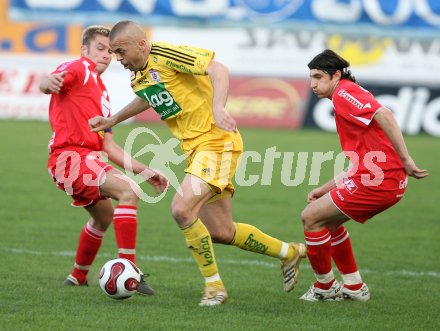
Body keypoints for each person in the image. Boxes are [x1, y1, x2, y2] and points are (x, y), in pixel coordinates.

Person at [88, 20, 306, 306]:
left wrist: (218, 106)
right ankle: (288, 252)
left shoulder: (166, 54)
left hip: (216, 142)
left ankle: (215, 288)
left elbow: (218, 69)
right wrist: (114, 119)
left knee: (181, 209)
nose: (118, 59)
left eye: (120, 51)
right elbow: (148, 97)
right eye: (114, 53)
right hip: (195, 150)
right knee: (221, 231)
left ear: (141, 44)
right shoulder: (139, 76)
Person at [40, 25, 168, 295]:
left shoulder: (103, 94)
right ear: (84, 49)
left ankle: (77, 276)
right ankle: (131, 270)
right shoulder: (80, 67)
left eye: (110, 51)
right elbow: (52, 79)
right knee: (128, 191)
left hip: (82, 160)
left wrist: (146, 171)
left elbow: (109, 146)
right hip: (71, 157)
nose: (106, 56)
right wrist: (46, 82)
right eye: (100, 48)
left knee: (104, 217)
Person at [300, 49, 428, 302]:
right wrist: (326, 188)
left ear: (336, 75)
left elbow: (385, 114)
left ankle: (325, 287)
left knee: (311, 218)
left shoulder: (344, 93)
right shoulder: (344, 94)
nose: (313, 84)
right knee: (329, 222)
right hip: (377, 177)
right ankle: (354, 287)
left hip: (380, 180)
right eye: (311, 77)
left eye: (318, 76)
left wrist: (406, 159)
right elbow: (360, 159)